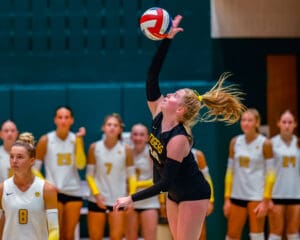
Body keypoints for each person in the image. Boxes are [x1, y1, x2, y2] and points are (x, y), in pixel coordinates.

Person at [113, 15, 246, 240]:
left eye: (175, 95)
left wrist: (131, 198)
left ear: (181, 110)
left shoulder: (179, 139)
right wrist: (167, 39)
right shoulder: (157, 114)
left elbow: (165, 181)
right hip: (174, 194)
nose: (169, 94)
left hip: (194, 193)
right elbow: (152, 75)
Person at [34, 106, 86, 240]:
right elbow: (34, 169)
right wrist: (46, 184)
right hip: (53, 193)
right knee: (54, 235)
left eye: (66, 117)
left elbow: (81, 165)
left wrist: (79, 141)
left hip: (74, 192)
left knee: (69, 236)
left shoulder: (76, 139)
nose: (63, 120)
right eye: (60, 117)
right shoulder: (46, 140)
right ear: (55, 120)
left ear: (72, 120)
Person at [223, 108, 275, 240]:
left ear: (257, 123)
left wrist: (266, 200)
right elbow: (230, 171)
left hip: (256, 196)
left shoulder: (265, 143)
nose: (246, 123)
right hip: (237, 195)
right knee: (231, 235)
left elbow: (271, 174)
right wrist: (227, 199)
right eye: (243, 120)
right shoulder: (235, 142)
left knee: (257, 236)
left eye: (250, 120)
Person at [0, 132, 59, 240]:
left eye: (20, 157)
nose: (14, 161)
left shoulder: (47, 189)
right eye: (11, 157)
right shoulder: (2, 189)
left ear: (32, 161)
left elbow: (54, 230)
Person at [85, 113, 134, 240]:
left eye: (115, 125)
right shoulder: (94, 147)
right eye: (109, 124)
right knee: (95, 237)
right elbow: (89, 176)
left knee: (116, 237)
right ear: (103, 128)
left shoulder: (126, 149)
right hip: (96, 199)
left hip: (118, 200)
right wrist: (97, 195)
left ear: (120, 129)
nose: (112, 127)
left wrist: (131, 197)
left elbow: (132, 177)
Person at [268, 110, 300, 240]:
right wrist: (266, 197)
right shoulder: (271, 143)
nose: (287, 125)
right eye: (284, 122)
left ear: (295, 124)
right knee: (276, 231)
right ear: (279, 124)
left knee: (293, 231)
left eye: (290, 122)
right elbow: (267, 172)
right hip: (276, 194)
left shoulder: (298, 143)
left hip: (296, 194)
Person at [124, 123, 160, 240]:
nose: (138, 138)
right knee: (130, 237)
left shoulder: (152, 154)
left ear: (147, 137)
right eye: (135, 134)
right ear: (131, 137)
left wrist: (136, 185)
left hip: (149, 201)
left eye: (141, 135)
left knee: (150, 237)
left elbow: (158, 180)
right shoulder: (126, 152)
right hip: (130, 202)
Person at [191, 148, 215, 240]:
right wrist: (163, 202)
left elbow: (206, 178)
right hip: (177, 201)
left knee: (200, 234)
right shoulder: (170, 155)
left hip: (196, 200)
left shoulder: (197, 155)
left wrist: (210, 200)